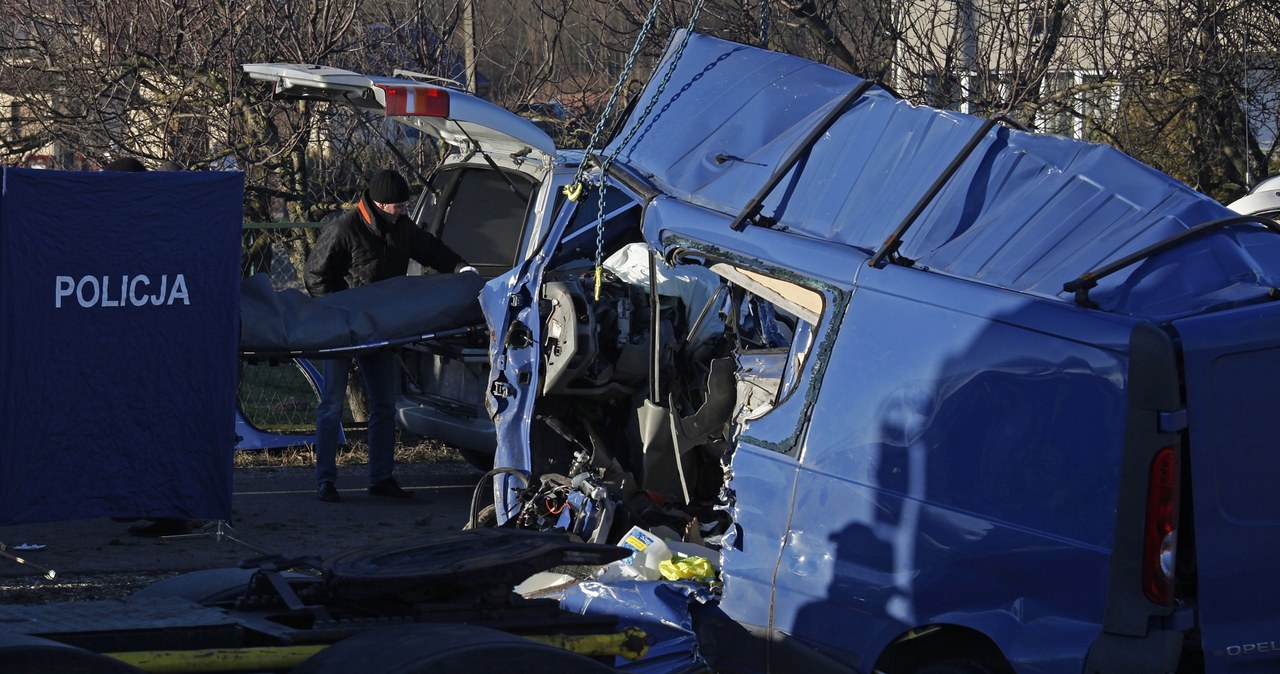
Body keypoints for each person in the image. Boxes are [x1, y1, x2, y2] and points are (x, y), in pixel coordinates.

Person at [304, 169, 474, 503]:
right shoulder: (343, 228)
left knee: (383, 404)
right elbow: (315, 274)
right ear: (381, 204)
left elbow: (431, 249)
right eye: (400, 205)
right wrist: (343, 310)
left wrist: (460, 269)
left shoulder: (400, 227)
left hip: (378, 327)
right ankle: (325, 479)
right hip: (342, 327)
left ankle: (380, 477)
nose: (405, 210)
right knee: (332, 403)